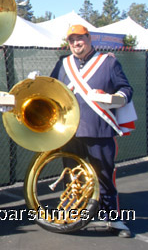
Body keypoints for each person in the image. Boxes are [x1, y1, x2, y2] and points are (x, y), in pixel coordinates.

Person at [49, 24, 135, 238]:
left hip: (100, 129)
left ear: (89, 39)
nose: (76, 43)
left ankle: (112, 218)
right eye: (72, 40)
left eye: (80, 39)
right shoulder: (63, 64)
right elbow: (51, 89)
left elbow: (126, 89)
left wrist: (116, 98)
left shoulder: (108, 62)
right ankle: (76, 215)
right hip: (69, 132)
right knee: (72, 177)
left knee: (104, 176)